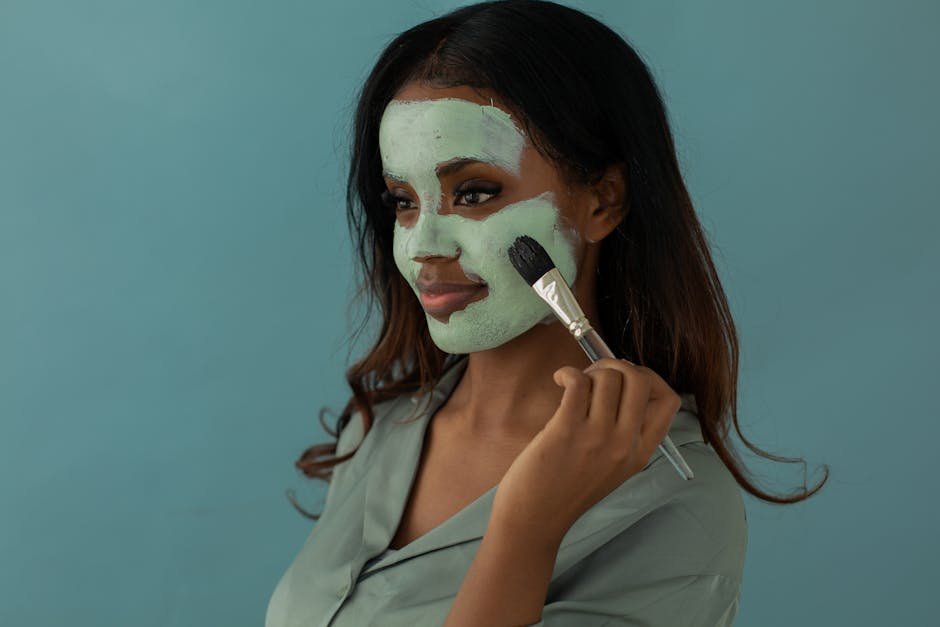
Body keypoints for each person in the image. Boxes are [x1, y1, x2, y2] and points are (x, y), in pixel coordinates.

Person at [266, 1, 827, 625]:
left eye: (474, 193)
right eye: (402, 201)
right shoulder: (380, 427)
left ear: (602, 201)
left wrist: (526, 529)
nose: (424, 242)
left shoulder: (676, 501)